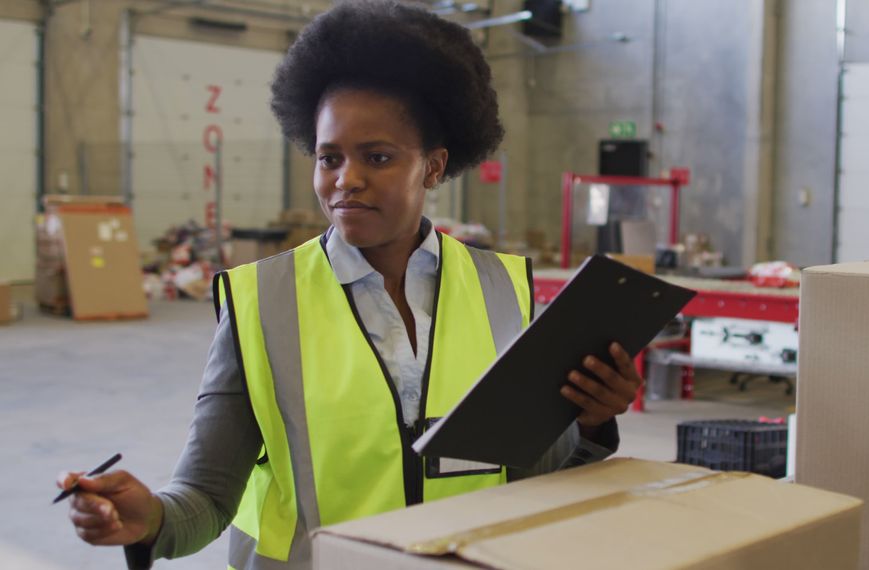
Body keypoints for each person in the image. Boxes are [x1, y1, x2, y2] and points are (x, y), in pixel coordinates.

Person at [57, 2, 643, 569]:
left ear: (434, 167)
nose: (346, 181)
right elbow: (207, 498)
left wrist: (592, 420)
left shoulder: (502, 288)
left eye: (378, 157)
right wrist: (151, 520)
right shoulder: (264, 303)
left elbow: (535, 480)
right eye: (328, 157)